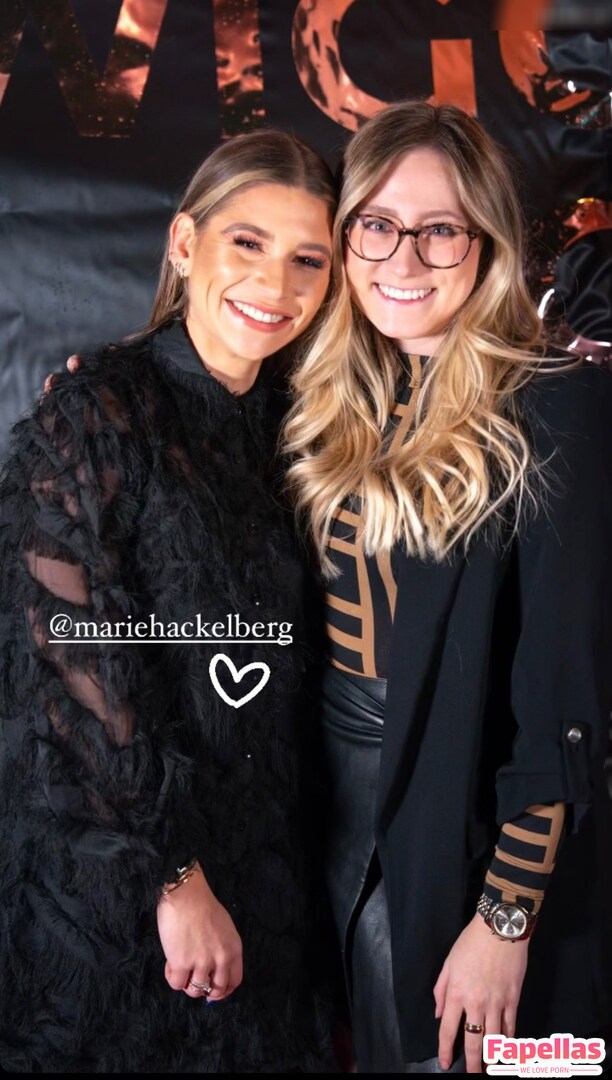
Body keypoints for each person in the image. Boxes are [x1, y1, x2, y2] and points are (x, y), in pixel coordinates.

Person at [283, 100, 612, 1074]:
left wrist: (505, 916)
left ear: (488, 244)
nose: (405, 258)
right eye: (377, 225)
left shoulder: (552, 405)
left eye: (441, 230)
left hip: (461, 799)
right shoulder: (332, 389)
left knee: (468, 1054)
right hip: (325, 798)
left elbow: (562, 697)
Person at [0, 128, 338, 1073]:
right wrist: (174, 879)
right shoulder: (95, 414)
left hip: (272, 876)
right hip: (127, 894)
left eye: (307, 259)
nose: (275, 284)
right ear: (186, 244)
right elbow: (66, 670)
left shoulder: (303, 428)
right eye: (247, 242)